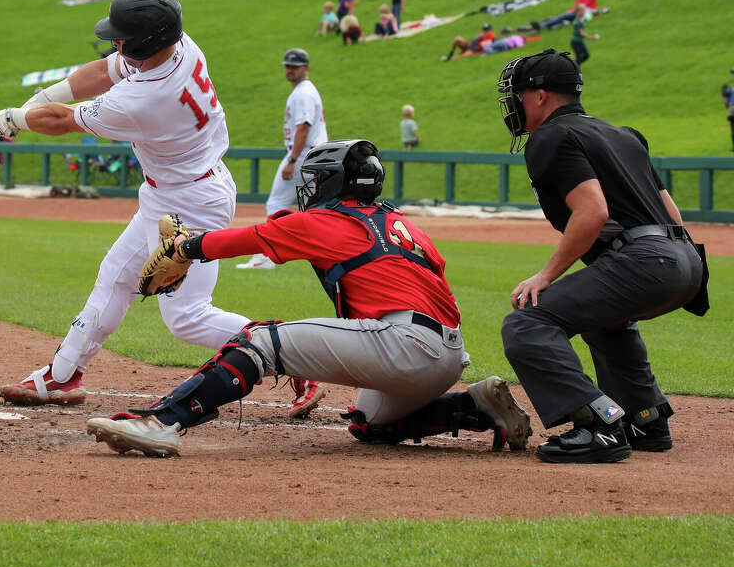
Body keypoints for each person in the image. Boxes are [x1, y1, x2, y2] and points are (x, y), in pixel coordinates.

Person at [0, 0, 321, 418]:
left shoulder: (143, 98)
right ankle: (63, 373)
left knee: (186, 317)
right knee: (115, 276)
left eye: (123, 37)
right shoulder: (179, 46)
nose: (116, 43)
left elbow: (63, 122)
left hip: (189, 204)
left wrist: (18, 118)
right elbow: (105, 70)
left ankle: (292, 353)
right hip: (174, 190)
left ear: (145, 42)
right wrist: (40, 99)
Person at [85, 139, 532, 458]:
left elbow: (250, 238)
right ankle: (474, 407)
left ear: (335, 183)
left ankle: (162, 423)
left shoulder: (327, 221)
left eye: (318, 180)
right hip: (448, 353)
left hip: (404, 344)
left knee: (260, 341)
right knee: (370, 424)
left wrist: (186, 248)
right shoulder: (404, 225)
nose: (311, 189)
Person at [496, 50, 706, 463]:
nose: (515, 105)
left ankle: (599, 424)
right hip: (685, 259)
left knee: (527, 322)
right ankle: (645, 417)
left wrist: (545, 276)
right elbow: (673, 215)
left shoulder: (549, 137)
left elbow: (593, 211)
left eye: (518, 95)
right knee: (601, 319)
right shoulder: (623, 134)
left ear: (540, 97)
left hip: (646, 260)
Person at [237, 46, 327, 289]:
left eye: (295, 66)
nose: (290, 70)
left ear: (306, 68)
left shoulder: (303, 93)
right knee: (314, 210)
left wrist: (292, 160)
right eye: (288, 66)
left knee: (277, 204)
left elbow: (303, 127)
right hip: (313, 156)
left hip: (304, 155)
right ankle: (324, 253)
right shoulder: (305, 91)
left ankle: (266, 255)